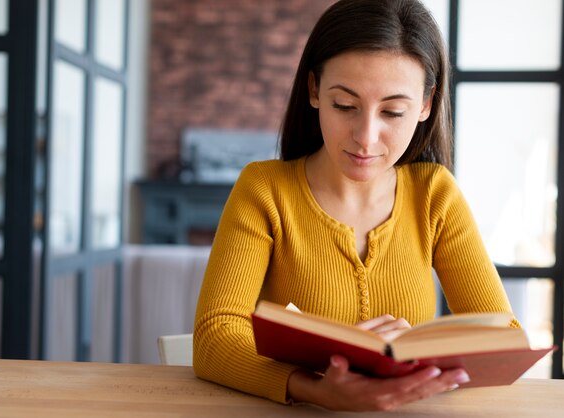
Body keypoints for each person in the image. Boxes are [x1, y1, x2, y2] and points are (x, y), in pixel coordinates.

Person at [193, 0, 519, 412]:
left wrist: (419, 356)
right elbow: (215, 336)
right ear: (314, 90)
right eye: (345, 106)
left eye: (393, 111)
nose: (366, 137)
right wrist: (315, 387)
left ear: (425, 104)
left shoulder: (435, 195)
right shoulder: (265, 190)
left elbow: (504, 337)